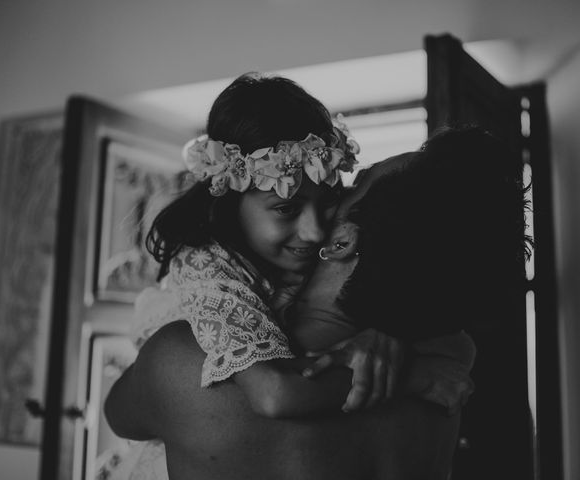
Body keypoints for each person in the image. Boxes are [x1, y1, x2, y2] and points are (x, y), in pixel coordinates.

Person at [104, 73, 476, 480]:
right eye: (285, 208)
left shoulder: (309, 272)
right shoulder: (209, 272)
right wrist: (407, 377)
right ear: (227, 206)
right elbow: (273, 392)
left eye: (329, 200)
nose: (315, 231)